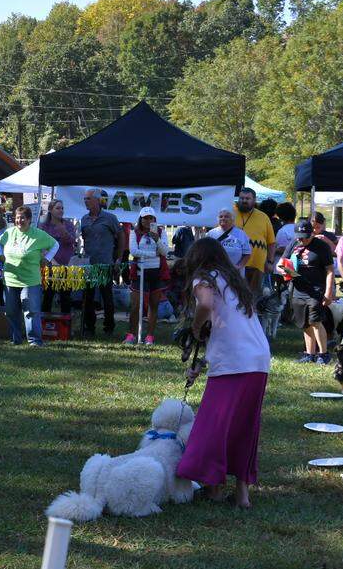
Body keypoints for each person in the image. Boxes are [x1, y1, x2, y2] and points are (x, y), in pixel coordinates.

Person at [176, 237, 271, 510]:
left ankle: (214, 487)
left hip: (235, 362)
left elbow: (205, 306)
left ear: (197, 259)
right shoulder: (234, 282)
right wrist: (201, 363)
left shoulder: (203, 279)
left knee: (214, 425)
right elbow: (227, 330)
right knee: (245, 426)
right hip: (258, 359)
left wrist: (195, 327)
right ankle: (242, 495)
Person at [0, 205, 58, 347]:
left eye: (22, 218)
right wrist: (0, 254)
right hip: (10, 280)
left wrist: (47, 258)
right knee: (11, 312)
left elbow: (55, 245)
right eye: (17, 218)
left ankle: (34, 341)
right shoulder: (9, 232)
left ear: (29, 219)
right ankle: (15, 339)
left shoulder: (38, 234)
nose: (19, 221)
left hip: (30, 281)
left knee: (31, 312)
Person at [278, 219, 335, 364]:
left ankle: (323, 354)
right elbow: (281, 263)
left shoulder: (322, 247)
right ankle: (309, 354)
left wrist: (328, 291)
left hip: (316, 289)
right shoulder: (294, 243)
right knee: (304, 324)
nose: (301, 240)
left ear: (312, 234)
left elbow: (329, 270)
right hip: (297, 288)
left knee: (315, 321)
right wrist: (284, 270)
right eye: (299, 236)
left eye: (304, 237)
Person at [79, 189, 124, 337]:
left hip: (106, 264)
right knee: (88, 297)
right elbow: (84, 238)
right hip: (89, 264)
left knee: (106, 297)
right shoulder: (84, 219)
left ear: (98, 200)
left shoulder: (110, 218)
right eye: (85, 199)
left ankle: (109, 327)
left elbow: (121, 237)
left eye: (88, 199)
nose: (86, 201)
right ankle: (89, 328)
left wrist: (118, 259)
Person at [124, 207, 170, 346]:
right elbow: (134, 251)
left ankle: (150, 336)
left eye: (150, 218)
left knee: (154, 305)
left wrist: (157, 240)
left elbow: (165, 251)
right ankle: (132, 335)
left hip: (156, 273)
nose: (148, 221)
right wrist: (152, 254)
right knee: (135, 306)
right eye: (145, 218)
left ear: (154, 219)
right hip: (139, 272)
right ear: (140, 219)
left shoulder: (161, 232)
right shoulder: (135, 232)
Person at [233, 188, 275, 294]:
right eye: (242, 198)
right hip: (233, 264)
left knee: (252, 297)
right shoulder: (230, 213)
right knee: (233, 295)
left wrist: (270, 262)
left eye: (247, 198)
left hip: (256, 264)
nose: (244, 201)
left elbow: (271, 242)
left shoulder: (263, 217)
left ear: (254, 200)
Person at [38, 199, 75, 316]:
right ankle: (45, 323)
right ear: (50, 210)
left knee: (65, 296)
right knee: (48, 295)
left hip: (66, 265)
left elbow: (72, 241)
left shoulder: (68, 225)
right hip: (50, 266)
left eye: (62, 208)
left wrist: (63, 230)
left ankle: (65, 325)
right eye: (58, 208)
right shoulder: (44, 226)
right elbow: (41, 246)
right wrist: (50, 261)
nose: (61, 210)